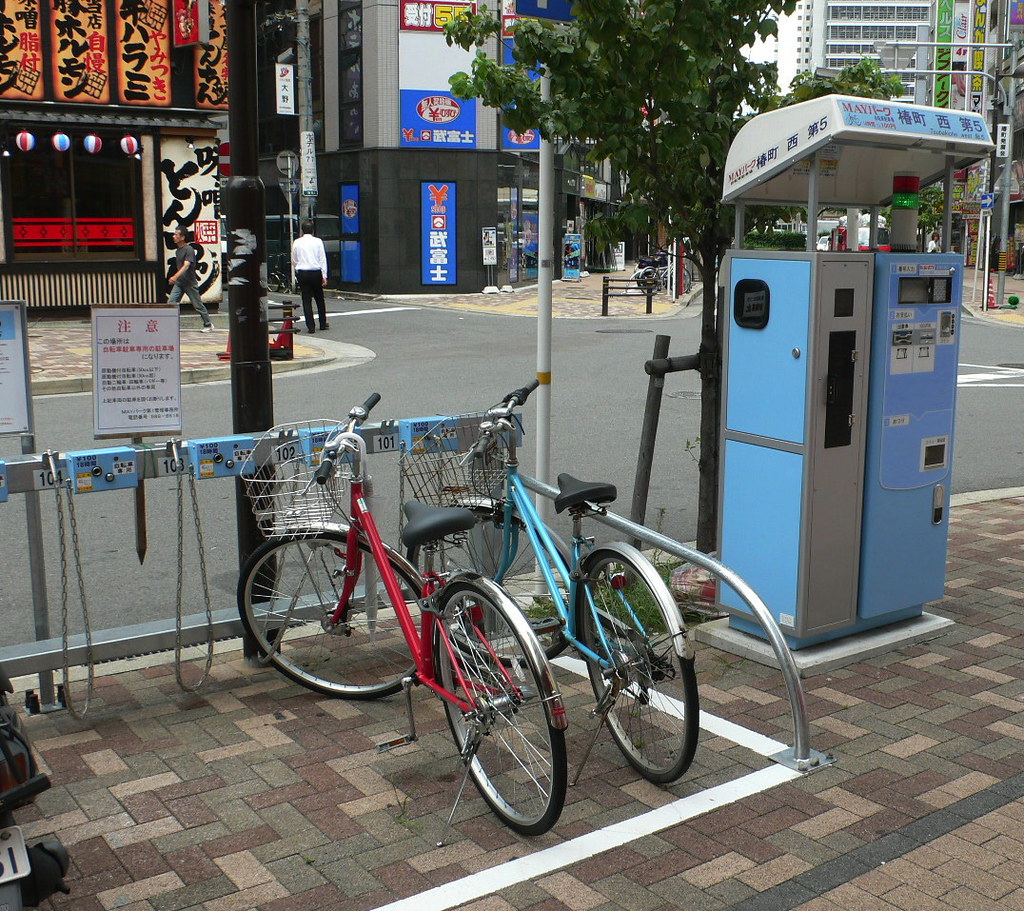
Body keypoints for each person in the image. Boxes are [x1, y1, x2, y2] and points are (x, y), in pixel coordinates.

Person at [169, 226, 213, 331]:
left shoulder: (189, 249)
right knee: (171, 303)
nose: (174, 236)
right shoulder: (178, 250)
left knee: (197, 305)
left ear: (182, 237)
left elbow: (186, 265)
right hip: (180, 283)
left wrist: (175, 276)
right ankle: (170, 325)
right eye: (174, 234)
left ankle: (208, 324)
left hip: (189, 283)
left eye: (176, 234)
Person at [291, 219, 329, 333]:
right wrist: (324, 275)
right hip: (316, 272)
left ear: (302, 230)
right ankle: (322, 323)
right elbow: (322, 259)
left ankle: (310, 326)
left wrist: (298, 267)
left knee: (306, 300)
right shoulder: (318, 241)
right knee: (319, 299)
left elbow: (294, 259)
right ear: (313, 230)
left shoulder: (297, 242)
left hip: (303, 272)